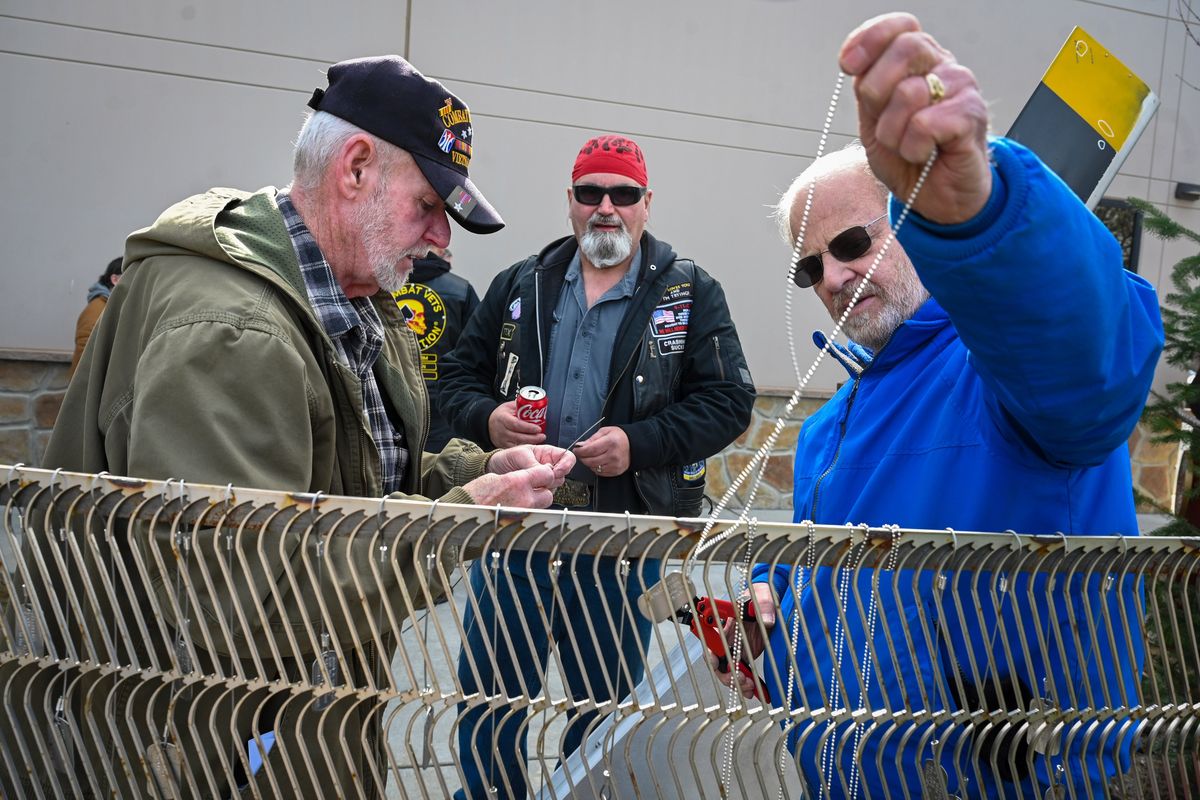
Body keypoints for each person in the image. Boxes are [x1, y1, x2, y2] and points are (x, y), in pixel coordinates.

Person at [37, 56, 574, 799]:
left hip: (295, 726)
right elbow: (242, 604)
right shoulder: (235, 332)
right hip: (196, 746)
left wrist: (468, 475)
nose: (443, 240)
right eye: (427, 205)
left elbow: (350, 481)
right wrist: (460, 519)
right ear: (356, 168)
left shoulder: (352, 297)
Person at [719, 13, 1164, 800]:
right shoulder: (827, 432)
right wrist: (767, 619)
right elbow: (814, 589)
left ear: (915, 220)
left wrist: (979, 210)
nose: (828, 277)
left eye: (851, 244)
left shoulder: (1002, 373)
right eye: (808, 267)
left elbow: (1088, 364)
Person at [441, 134, 756, 798]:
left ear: (647, 204)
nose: (606, 207)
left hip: (622, 537)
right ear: (570, 203)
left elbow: (730, 402)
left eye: (623, 194)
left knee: (604, 709)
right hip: (516, 528)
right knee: (488, 701)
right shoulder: (520, 284)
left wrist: (637, 443)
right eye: (591, 193)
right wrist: (489, 420)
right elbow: (453, 381)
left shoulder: (691, 291)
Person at [393, 245, 481, 450]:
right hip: (444, 414)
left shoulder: (381, 286)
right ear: (440, 253)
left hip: (391, 410)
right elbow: (477, 355)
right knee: (444, 475)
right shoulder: (459, 290)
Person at [69, 256, 121, 376]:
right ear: (115, 279)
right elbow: (85, 350)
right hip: (89, 384)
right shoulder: (98, 308)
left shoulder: (111, 306)